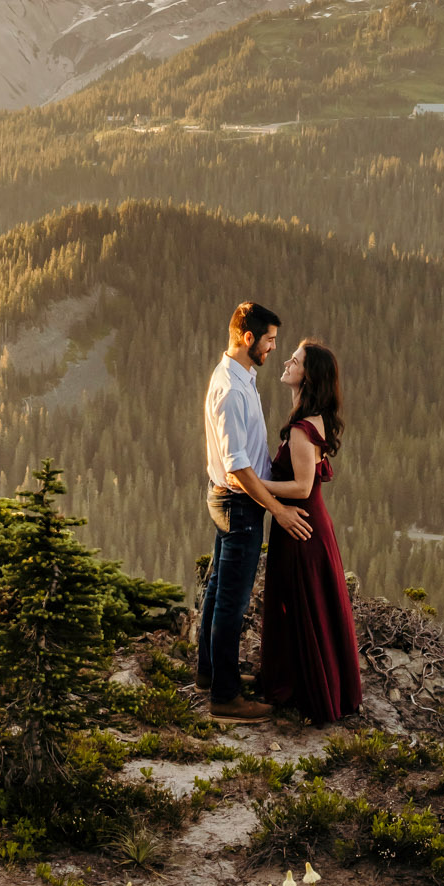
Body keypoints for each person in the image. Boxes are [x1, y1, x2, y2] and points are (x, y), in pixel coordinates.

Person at [199, 300, 313, 722]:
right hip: (240, 504)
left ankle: (210, 675)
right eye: (269, 340)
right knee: (232, 599)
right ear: (248, 338)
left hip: (233, 501)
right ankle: (225, 699)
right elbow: (237, 466)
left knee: (216, 591)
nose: (272, 348)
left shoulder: (240, 376)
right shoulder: (230, 389)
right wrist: (278, 510)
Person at [256, 339, 361, 726]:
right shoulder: (312, 420)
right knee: (312, 606)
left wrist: (251, 484)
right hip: (311, 526)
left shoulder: (302, 429)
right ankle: (314, 684)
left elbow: (302, 487)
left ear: (308, 375)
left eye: (295, 360)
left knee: (299, 603)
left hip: (299, 527)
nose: (286, 362)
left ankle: (305, 690)